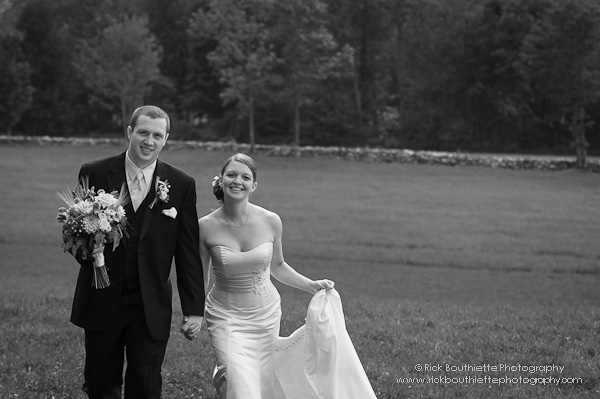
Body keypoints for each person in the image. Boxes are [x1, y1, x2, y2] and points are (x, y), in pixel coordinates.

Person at [69, 105, 205, 398]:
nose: (149, 141)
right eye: (143, 132)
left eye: (157, 135)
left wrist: (194, 308)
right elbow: (75, 233)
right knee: (100, 384)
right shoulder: (93, 172)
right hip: (101, 297)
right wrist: (92, 253)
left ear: (166, 139)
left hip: (149, 304)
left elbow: (187, 251)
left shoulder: (181, 184)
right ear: (129, 132)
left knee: (146, 386)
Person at [191, 153, 334, 398]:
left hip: (265, 314)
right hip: (225, 315)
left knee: (260, 381)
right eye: (232, 174)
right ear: (221, 180)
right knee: (235, 377)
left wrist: (312, 285)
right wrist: (193, 312)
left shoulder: (271, 221)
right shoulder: (205, 226)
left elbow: (278, 266)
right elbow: (200, 277)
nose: (238, 181)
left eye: (245, 177)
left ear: (253, 185)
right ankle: (224, 376)